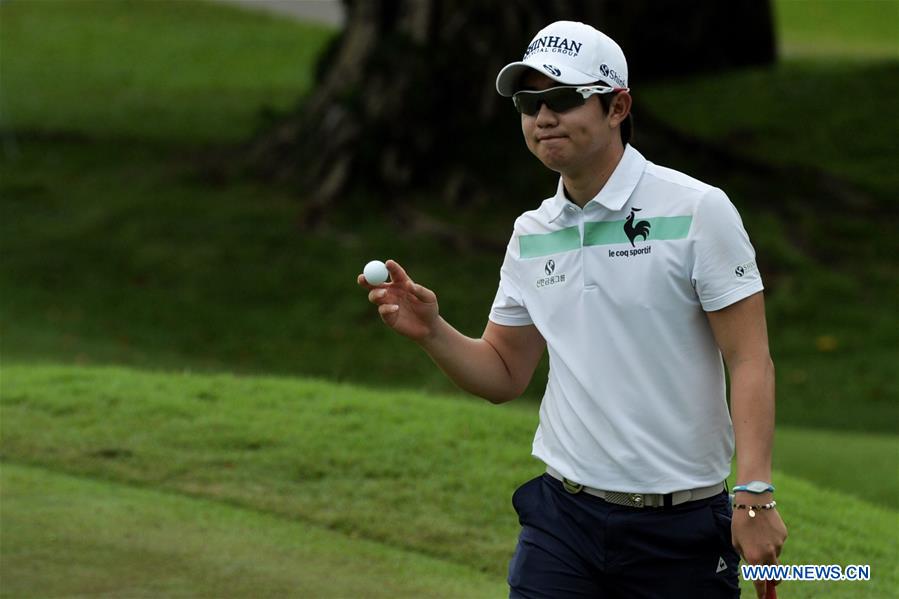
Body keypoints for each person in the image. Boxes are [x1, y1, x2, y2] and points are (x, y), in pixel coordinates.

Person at [358, 20, 786, 599]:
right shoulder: (531, 233)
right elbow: (504, 373)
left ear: (618, 106)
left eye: (563, 98)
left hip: (679, 530)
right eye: (529, 103)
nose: (543, 117)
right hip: (564, 521)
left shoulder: (697, 210)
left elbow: (750, 359)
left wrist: (754, 492)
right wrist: (433, 331)